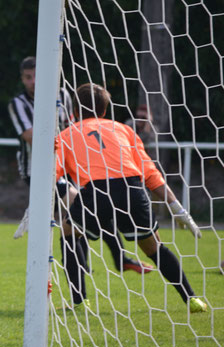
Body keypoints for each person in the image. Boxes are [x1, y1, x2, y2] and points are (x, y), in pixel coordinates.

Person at [55, 83, 207, 313]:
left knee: (67, 233)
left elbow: (53, 175)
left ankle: (79, 301)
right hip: (133, 191)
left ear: (74, 111)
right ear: (105, 110)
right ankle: (192, 299)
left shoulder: (65, 135)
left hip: (97, 194)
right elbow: (149, 172)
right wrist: (176, 207)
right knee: (154, 248)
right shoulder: (124, 130)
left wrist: (33, 209)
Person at [8, 57, 150, 275]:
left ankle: (88, 269)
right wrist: (64, 138)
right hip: (38, 171)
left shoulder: (63, 95)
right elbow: (30, 136)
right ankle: (109, 262)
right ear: (22, 79)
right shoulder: (18, 104)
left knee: (78, 216)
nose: (34, 81)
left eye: (37, 75)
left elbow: (79, 126)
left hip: (70, 166)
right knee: (82, 209)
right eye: (28, 77)